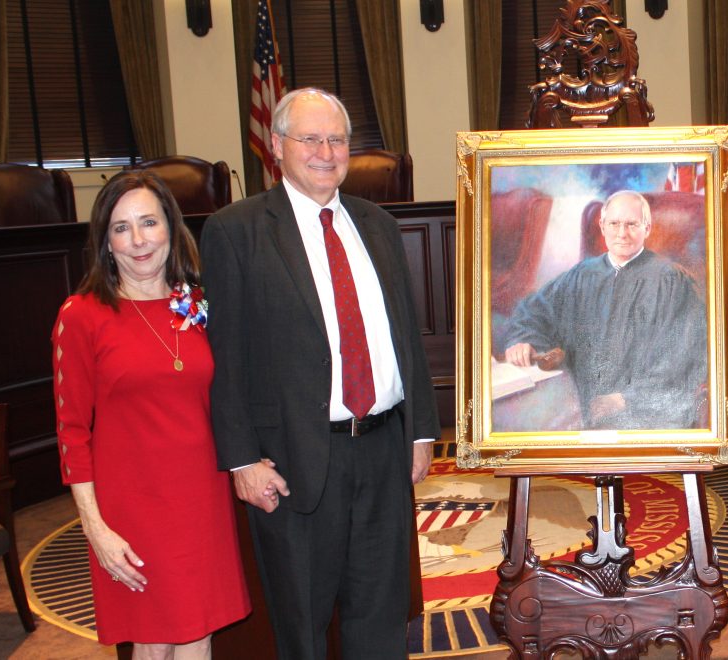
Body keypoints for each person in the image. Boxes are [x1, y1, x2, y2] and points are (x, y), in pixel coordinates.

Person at [200, 88, 440, 659]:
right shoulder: (237, 231)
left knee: (381, 615)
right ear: (278, 145)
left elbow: (405, 333)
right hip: (293, 462)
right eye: (311, 139)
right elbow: (225, 356)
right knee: (302, 624)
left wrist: (422, 431)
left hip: (383, 451)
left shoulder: (378, 224)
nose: (326, 152)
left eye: (337, 140)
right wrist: (241, 460)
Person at [52, 171, 249, 659]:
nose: (138, 240)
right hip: (132, 509)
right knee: (153, 640)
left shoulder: (200, 306)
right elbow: (71, 431)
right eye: (121, 228)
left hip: (201, 499)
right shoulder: (82, 315)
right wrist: (94, 528)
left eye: (148, 222)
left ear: (171, 229)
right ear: (105, 241)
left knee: (199, 631)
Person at [501, 190, 707, 429]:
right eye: (614, 224)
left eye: (632, 224)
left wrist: (625, 399)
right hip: (582, 405)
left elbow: (684, 356)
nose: (622, 233)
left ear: (647, 228)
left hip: (644, 413)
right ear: (602, 226)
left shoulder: (672, 282)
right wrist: (523, 340)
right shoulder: (581, 275)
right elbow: (535, 311)